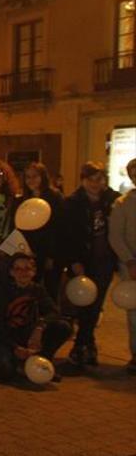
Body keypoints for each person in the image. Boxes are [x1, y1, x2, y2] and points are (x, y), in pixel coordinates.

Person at [62, 162, 120, 367]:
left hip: (104, 260)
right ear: (83, 180)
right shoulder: (72, 203)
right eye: (91, 179)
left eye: (99, 179)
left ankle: (84, 345)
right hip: (83, 261)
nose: (96, 184)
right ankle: (83, 346)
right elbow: (68, 236)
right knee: (84, 305)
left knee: (96, 306)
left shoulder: (112, 201)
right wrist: (74, 261)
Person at [0, 253, 71, 382]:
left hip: (31, 336)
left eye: (27, 269)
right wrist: (15, 347)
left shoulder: (37, 290)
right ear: (11, 272)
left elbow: (54, 311)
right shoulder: (3, 291)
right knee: (6, 372)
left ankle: (43, 359)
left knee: (63, 327)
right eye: (18, 269)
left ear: (33, 272)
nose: (23, 273)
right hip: (8, 337)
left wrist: (40, 326)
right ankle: (21, 363)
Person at [20, 162, 66, 298]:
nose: (31, 180)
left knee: (50, 289)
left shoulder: (55, 197)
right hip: (31, 251)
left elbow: (59, 228)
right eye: (28, 177)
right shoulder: (25, 198)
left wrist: (51, 256)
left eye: (35, 176)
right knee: (30, 288)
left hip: (50, 251)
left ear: (43, 177)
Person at [108, 158, 136, 373]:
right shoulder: (123, 203)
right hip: (131, 264)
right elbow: (116, 236)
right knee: (134, 312)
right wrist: (129, 260)